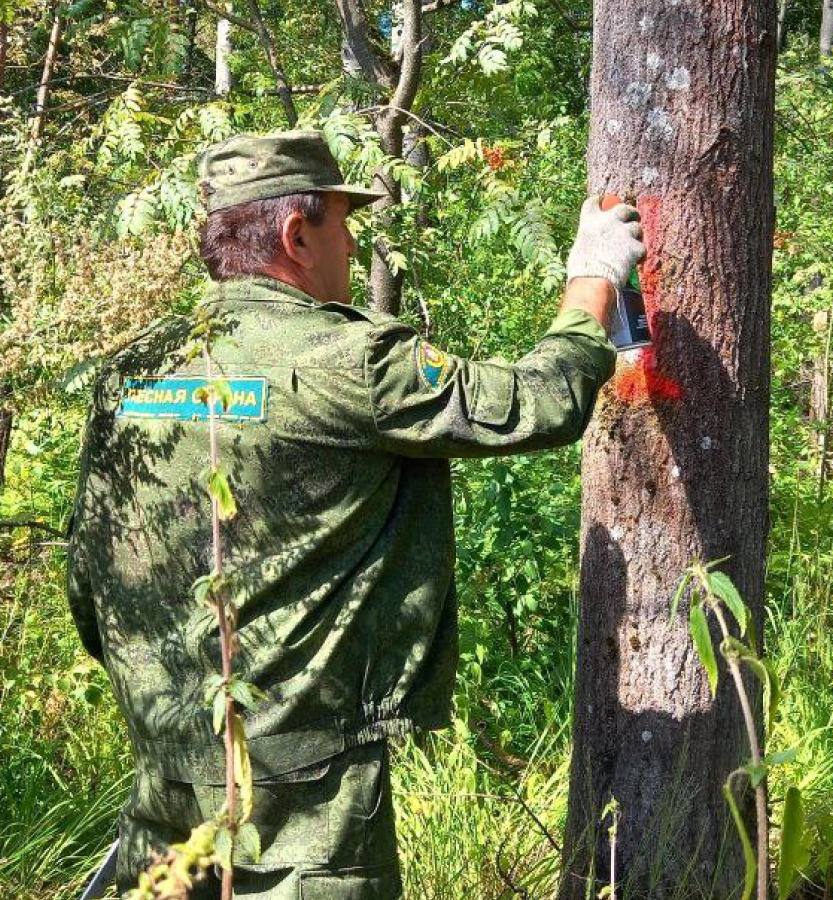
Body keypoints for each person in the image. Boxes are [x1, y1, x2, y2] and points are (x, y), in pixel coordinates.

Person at [67, 130, 645, 899]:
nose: (350, 244)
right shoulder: (351, 360)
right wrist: (591, 281)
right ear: (295, 234)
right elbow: (539, 402)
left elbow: (86, 573)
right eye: (343, 224)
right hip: (302, 807)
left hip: (163, 770)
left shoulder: (131, 369)